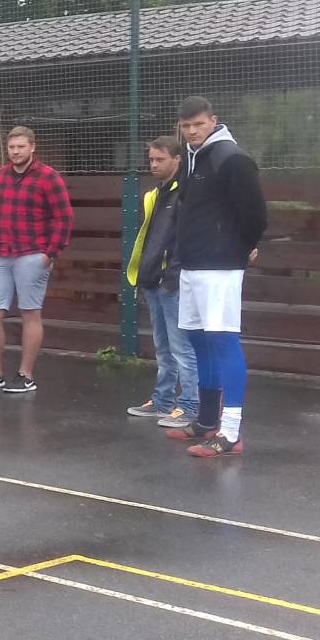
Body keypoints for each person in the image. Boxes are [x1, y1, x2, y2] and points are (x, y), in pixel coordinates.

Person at [167, 97, 267, 458]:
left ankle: (231, 433)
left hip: (220, 267)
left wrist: (245, 245)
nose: (192, 131)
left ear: (213, 120)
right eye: (186, 126)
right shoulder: (191, 157)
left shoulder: (232, 158)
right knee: (199, 340)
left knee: (223, 341)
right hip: (191, 265)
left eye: (199, 124)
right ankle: (207, 421)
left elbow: (255, 214)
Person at [0, 126, 73, 393]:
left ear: (32, 147)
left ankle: (26, 375)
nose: (15, 152)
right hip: (0, 254)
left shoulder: (49, 177)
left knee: (30, 312)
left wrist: (50, 253)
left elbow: (64, 218)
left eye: (21, 147)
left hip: (32, 254)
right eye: (12, 147)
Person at [124, 136, 197, 430]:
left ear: (177, 160)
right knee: (163, 346)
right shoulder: (154, 194)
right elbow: (150, 238)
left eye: (160, 160)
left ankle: (190, 406)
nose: (153, 165)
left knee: (182, 348)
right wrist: (145, 274)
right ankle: (163, 400)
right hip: (152, 279)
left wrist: (172, 276)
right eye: (151, 160)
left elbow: (184, 239)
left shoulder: (186, 194)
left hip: (173, 282)